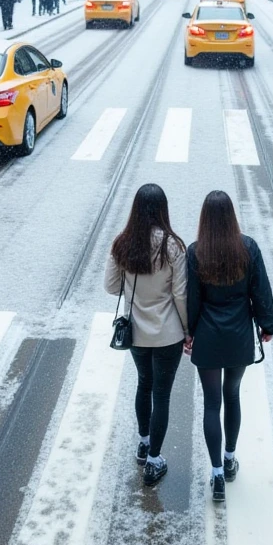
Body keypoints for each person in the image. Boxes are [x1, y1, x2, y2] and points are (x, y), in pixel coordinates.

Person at [186, 191, 273, 503]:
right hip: (239, 336)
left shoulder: (196, 251)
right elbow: (260, 291)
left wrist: (189, 332)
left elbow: (193, 299)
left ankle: (215, 474)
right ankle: (229, 459)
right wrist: (268, 325)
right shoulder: (247, 247)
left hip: (208, 338)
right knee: (233, 396)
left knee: (211, 404)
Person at [104, 184, 189, 487]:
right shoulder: (174, 246)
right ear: (163, 209)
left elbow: (112, 287)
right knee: (162, 395)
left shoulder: (122, 244)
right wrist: (188, 330)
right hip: (168, 333)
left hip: (136, 332)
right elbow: (180, 294)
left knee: (144, 384)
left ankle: (143, 442)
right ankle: (154, 459)